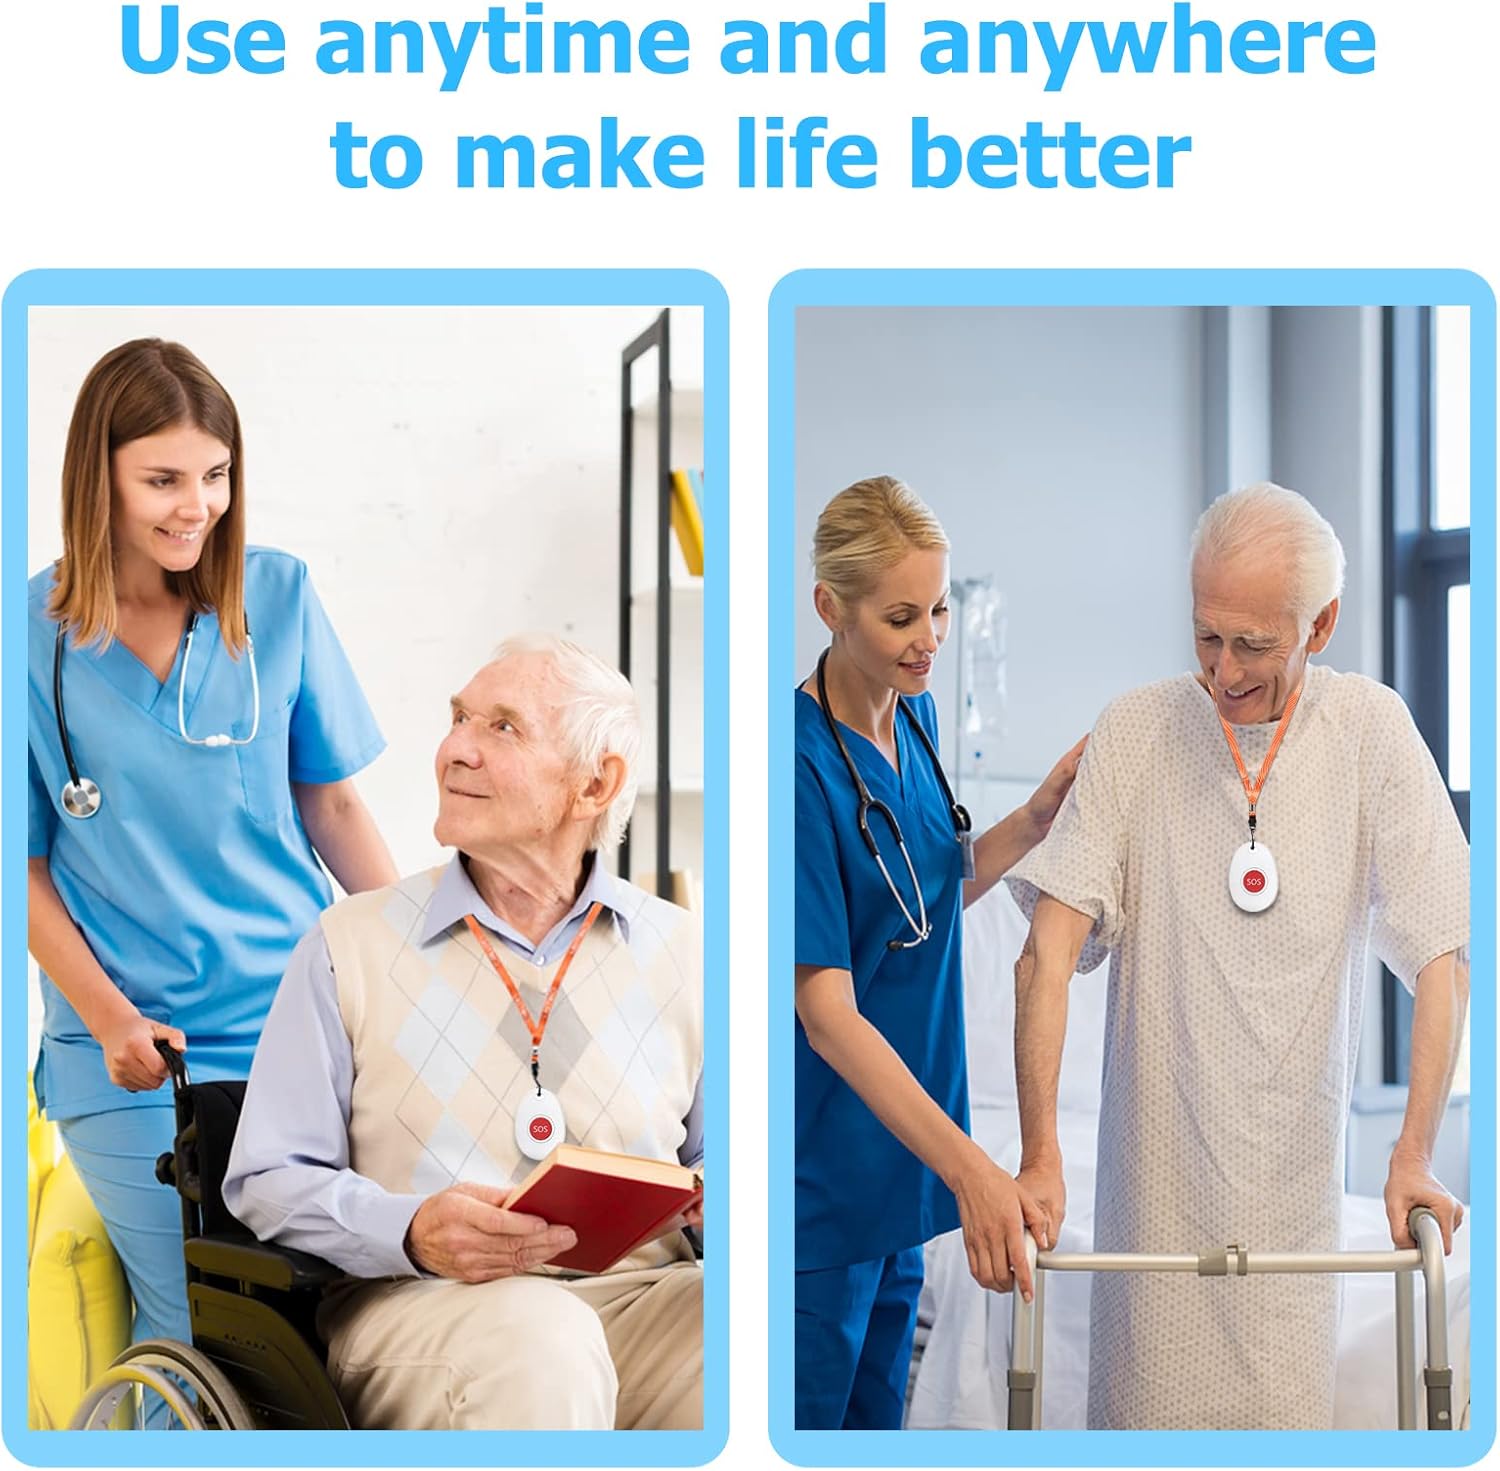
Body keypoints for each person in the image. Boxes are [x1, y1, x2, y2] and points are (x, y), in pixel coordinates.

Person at [1008, 482, 1469, 1430]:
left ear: (1323, 623)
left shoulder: (1371, 733)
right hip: (1153, 1210)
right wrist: (1041, 1154)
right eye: (1206, 635)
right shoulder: (1136, 729)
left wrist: (1413, 1152)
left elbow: (1445, 953)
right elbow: (1042, 959)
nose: (1223, 670)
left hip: (1296, 1212)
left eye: (1255, 643)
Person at [27, 338, 398, 1385]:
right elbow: (23, 864)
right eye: (163, 480)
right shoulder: (30, 637)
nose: (197, 506)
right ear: (96, 475)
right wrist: (107, 1019)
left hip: (303, 1031)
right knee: (204, 1341)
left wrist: (427, 959)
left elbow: (332, 803)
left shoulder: (275, 598)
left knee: (326, 1336)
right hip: (141, 1054)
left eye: (216, 474)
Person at [223, 634, 704, 1431]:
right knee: (545, 1339)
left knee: (753, 1325)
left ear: (597, 782)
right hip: (422, 1309)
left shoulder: (686, 952)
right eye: (458, 719)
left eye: (502, 727)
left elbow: (721, 1158)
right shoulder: (349, 944)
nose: (454, 749)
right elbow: (267, 1177)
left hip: (636, 1299)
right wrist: (410, 1229)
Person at [793, 475, 1085, 1430]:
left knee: (880, 1425)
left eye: (942, 606)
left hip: (906, 1164)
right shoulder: (789, 766)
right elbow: (827, 1010)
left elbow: (928, 895)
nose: (931, 637)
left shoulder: (909, 716)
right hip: (824, 1176)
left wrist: (1036, 817)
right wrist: (974, 1168)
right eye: (902, 615)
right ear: (829, 607)